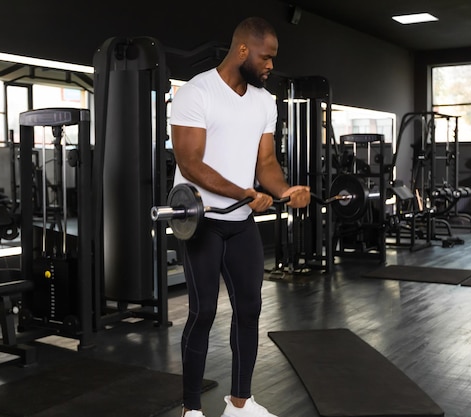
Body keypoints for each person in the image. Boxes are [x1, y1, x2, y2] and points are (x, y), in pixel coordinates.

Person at [169, 16, 311, 417]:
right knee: (203, 312)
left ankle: (240, 404)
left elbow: (265, 160)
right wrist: (246, 193)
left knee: (250, 310)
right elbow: (190, 163)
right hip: (201, 220)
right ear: (244, 50)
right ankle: (191, 410)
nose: (270, 66)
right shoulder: (197, 93)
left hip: (239, 223)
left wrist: (282, 190)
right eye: (267, 58)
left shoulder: (265, 102)